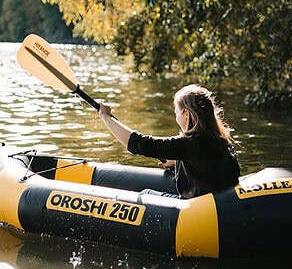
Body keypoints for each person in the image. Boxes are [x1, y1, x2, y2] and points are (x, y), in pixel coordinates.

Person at [98, 84, 240, 199]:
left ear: (186, 113)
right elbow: (208, 164)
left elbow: (139, 143)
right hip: (221, 202)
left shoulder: (190, 143)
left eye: (176, 111)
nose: (175, 115)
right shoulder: (219, 139)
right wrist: (178, 161)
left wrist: (106, 117)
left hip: (199, 211)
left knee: (145, 195)